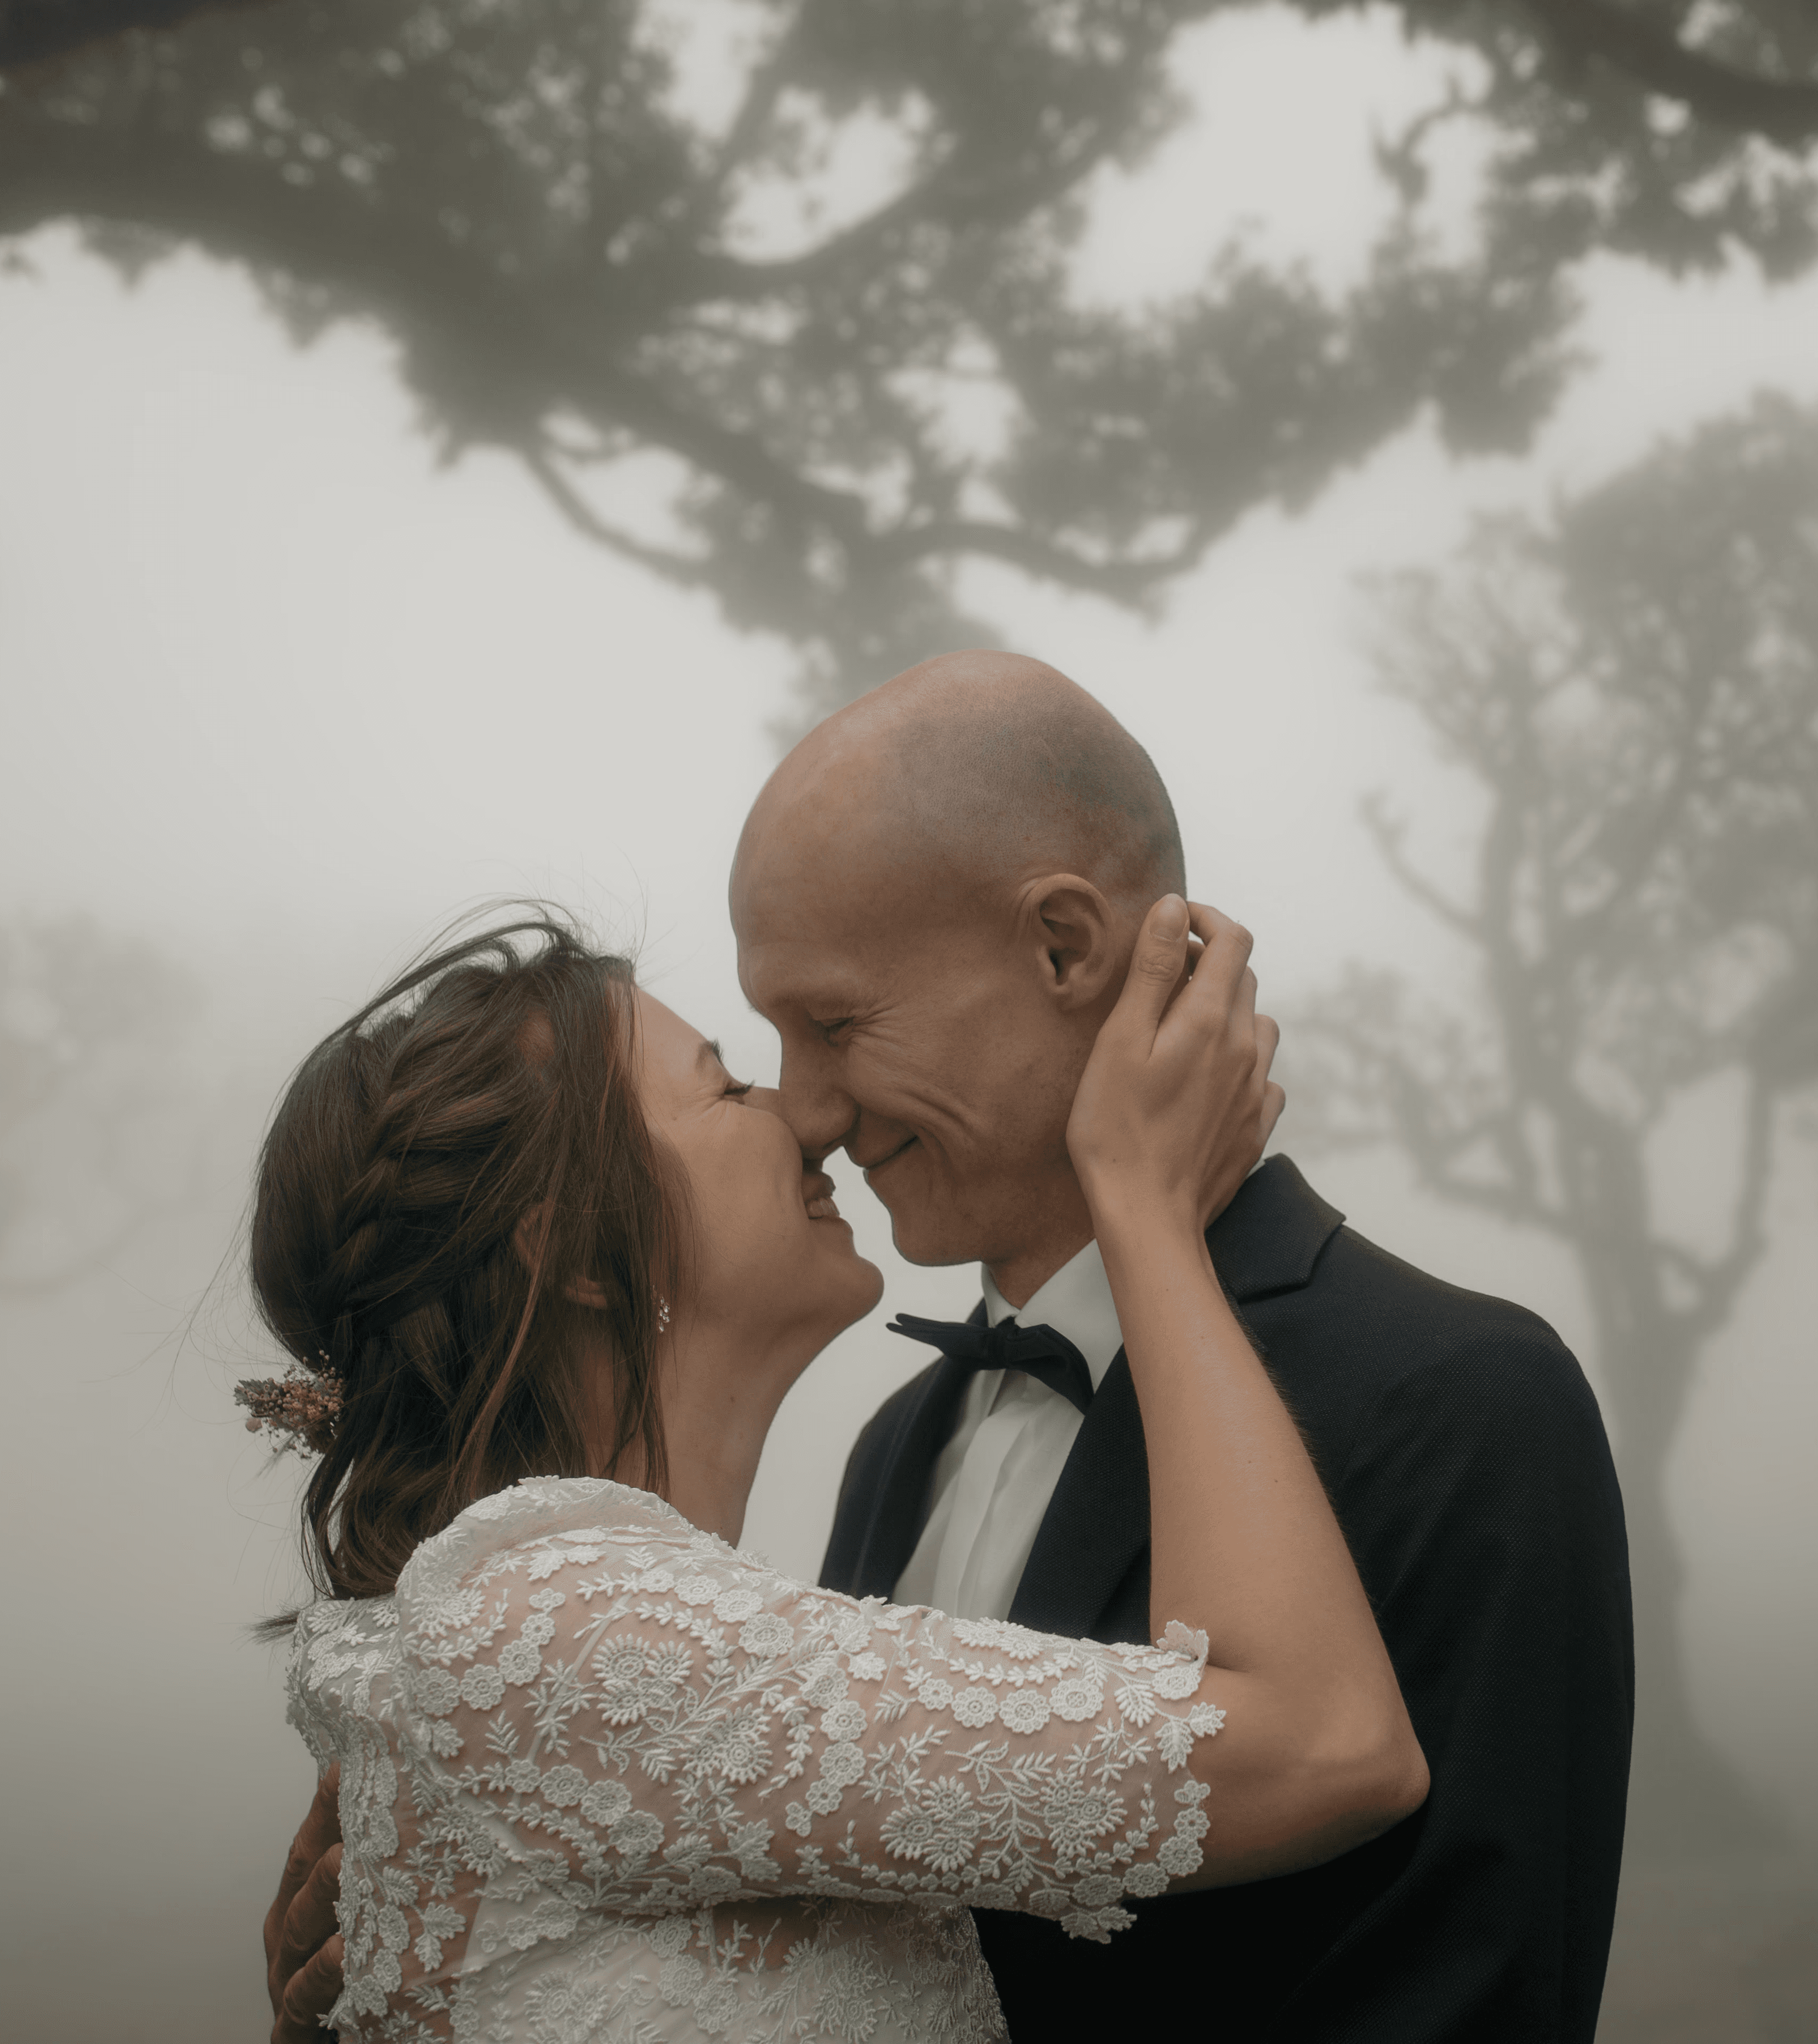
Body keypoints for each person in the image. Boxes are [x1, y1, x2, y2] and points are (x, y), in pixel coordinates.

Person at [268, 649, 1633, 2040]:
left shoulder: (1457, 1401)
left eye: (831, 1023)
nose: (805, 1110)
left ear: (1061, 948)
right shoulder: (888, 1454)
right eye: (749, 1062)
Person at [251, 893, 1426, 2043]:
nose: (801, 1114)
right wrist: (1148, 1202)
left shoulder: (549, 1640)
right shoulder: (570, 1636)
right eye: (723, 1084)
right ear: (574, 1253)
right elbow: (1323, 1744)